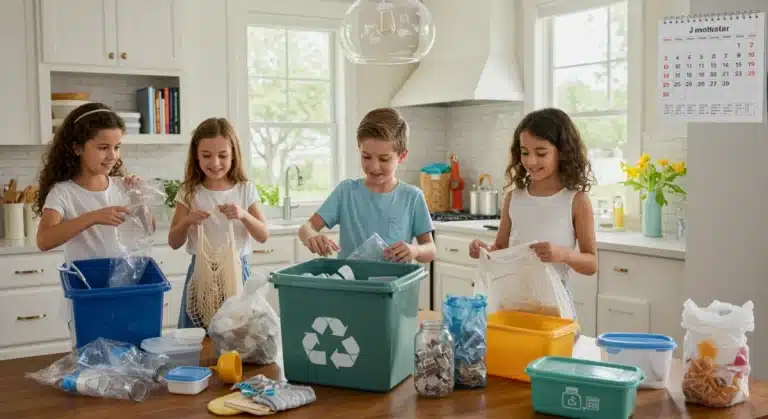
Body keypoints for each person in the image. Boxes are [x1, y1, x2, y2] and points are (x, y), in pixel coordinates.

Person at [469, 107, 598, 285]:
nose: (531, 161)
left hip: (554, 304)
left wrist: (563, 254)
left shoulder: (576, 201)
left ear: (562, 152)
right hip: (512, 297)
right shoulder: (513, 197)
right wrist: (484, 250)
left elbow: (591, 264)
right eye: (525, 152)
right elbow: (500, 249)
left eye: (541, 153)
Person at [298, 107, 436, 263]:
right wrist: (312, 236)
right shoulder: (346, 192)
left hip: (393, 286)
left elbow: (430, 249)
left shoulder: (412, 197)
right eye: (366, 156)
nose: (374, 166)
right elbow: (306, 228)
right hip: (352, 286)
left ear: (402, 156)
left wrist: (415, 250)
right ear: (360, 150)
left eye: (384, 159)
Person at [168, 117, 269, 329]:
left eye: (223, 155)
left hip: (237, 271)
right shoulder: (189, 191)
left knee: (238, 334)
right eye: (207, 155)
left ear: (234, 155)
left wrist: (243, 215)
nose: (215, 163)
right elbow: (174, 242)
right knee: (199, 337)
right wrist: (187, 221)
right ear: (196, 156)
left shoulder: (244, 189)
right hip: (200, 274)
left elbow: (262, 235)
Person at [35, 102, 147, 262]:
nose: (112, 156)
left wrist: (139, 199)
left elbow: (149, 228)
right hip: (85, 281)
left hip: (122, 277)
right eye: (103, 148)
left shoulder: (122, 186)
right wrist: (92, 217)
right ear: (77, 148)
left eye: (116, 147)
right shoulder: (63, 192)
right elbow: (43, 241)